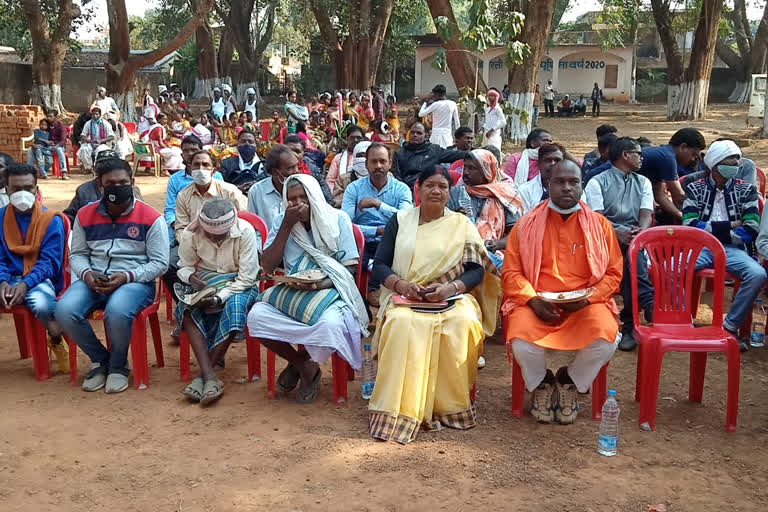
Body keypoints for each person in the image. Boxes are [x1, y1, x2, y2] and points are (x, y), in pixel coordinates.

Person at [368, 166, 501, 443]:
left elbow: (476, 271)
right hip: (404, 297)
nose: (436, 191)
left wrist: (449, 288)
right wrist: (403, 286)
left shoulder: (461, 225)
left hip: (450, 296)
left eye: (442, 186)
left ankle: (449, 408)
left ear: (449, 192)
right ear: (418, 188)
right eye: (430, 185)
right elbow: (379, 265)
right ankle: (401, 409)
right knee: (401, 324)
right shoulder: (400, 220)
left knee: (463, 322)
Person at [502, 159, 622, 424]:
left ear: (582, 186)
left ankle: (569, 381)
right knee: (521, 341)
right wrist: (532, 300)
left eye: (573, 182)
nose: (566, 188)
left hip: (586, 303)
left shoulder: (601, 226)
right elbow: (511, 273)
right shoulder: (525, 225)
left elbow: (613, 274)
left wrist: (588, 299)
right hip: (537, 302)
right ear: (548, 184)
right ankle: (543, 382)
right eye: (559, 181)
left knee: (606, 339)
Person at [246, 175, 370, 404]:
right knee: (256, 318)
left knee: (330, 326)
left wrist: (318, 285)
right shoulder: (282, 222)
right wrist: (286, 225)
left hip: (332, 289)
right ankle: (304, 365)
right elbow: (268, 266)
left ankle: (300, 364)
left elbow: (349, 272)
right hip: (294, 290)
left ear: (314, 196)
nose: (298, 203)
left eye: (303, 196)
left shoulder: (338, 219)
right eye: (291, 199)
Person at [56, 158, 169, 394]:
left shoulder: (151, 217)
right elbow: (76, 253)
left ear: (132, 182)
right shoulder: (85, 215)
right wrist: (86, 274)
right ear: (99, 185)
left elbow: (160, 263)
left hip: (135, 281)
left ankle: (118, 366)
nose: (117, 187)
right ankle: (101, 360)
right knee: (64, 310)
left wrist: (127, 276)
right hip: (94, 279)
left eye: (123, 182)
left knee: (117, 311)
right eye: (110, 183)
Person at [176, 198, 261, 405]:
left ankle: (204, 375)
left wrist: (218, 297)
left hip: (239, 282)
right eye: (210, 235)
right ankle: (210, 376)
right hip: (206, 280)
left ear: (230, 227)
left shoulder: (246, 231)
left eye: (220, 236)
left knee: (235, 306)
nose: (215, 240)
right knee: (187, 308)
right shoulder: (191, 233)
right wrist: (191, 279)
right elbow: (184, 266)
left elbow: (248, 278)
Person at [683, 140, 765, 352]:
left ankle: (730, 327)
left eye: (737, 161)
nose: (736, 165)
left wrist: (709, 228)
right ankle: (683, 322)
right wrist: (731, 225)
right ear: (714, 165)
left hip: (733, 250)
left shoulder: (747, 190)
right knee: (672, 268)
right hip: (700, 247)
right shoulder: (694, 188)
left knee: (757, 275)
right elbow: (689, 224)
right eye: (730, 162)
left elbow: (751, 229)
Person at [585, 137, 654, 351]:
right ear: (625, 155)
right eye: (638, 153)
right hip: (604, 237)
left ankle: (631, 322)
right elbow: (597, 218)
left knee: (631, 254)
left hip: (634, 238)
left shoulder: (643, 181)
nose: (642, 158)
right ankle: (647, 304)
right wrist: (617, 232)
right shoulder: (597, 181)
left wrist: (640, 231)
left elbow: (646, 214)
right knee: (631, 256)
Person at [0, 164, 68, 372]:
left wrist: (25, 284)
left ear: (36, 190)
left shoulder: (50, 220)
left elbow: (50, 263)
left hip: (38, 278)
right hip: (6, 278)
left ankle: (56, 338)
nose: (22, 193)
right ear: (7, 190)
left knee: (42, 305)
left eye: (28, 188)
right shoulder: (0, 218)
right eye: (16, 188)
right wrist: (2, 281)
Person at [342, 142, 412, 297]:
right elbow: (346, 224)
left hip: (392, 240)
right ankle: (372, 282)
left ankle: (374, 279)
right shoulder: (354, 189)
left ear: (390, 164)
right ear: (366, 164)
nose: (378, 166)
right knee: (349, 243)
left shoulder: (402, 189)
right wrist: (377, 230)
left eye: (383, 161)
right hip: (362, 240)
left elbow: (406, 219)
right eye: (374, 161)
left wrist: (378, 204)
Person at [462, 149, 523, 269]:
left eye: (472, 168)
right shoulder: (458, 193)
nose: (466, 172)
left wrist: (497, 244)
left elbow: (516, 233)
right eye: (465, 167)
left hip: (495, 252)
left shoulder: (505, 196)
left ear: (487, 171)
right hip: (463, 251)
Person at [163, 136, 224, 242]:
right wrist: (178, 226)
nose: (190, 154)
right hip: (182, 228)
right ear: (182, 155)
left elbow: (223, 206)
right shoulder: (175, 179)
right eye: (186, 151)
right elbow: (170, 210)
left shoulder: (216, 176)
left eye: (194, 150)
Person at [174, 150, 246, 240]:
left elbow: (244, 221)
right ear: (191, 168)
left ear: (214, 170)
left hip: (227, 244)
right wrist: (189, 246)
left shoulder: (229, 191)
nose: (200, 168)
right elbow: (181, 229)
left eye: (205, 165)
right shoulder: (183, 196)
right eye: (196, 164)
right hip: (195, 246)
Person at [640, 128, 706, 224]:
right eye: (693, 155)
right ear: (683, 147)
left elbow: (659, 195)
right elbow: (679, 196)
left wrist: (681, 215)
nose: (693, 159)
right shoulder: (668, 158)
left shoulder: (663, 154)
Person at [248, 144, 303, 234]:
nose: (296, 171)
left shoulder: (303, 188)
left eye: (297, 166)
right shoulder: (256, 192)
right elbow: (254, 228)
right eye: (290, 168)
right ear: (275, 172)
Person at [392, 123, 467, 190]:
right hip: (407, 190)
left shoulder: (434, 150)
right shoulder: (399, 153)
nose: (415, 135)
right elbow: (396, 177)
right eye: (412, 132)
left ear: (426, 136)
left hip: (430, 189)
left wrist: (474, 154)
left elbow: (456, 155)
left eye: (419, 133)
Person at [283, 134, 334, 203]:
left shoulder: (311, 167)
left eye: (297, 152)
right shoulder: (278, 169)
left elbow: (323, 186)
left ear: (303, 152)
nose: (293, 154)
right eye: (290, 150)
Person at [519, 143, 564, 213]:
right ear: (539, 164)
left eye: (557, 160)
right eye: (548, 160)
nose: (553, 164)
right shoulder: (525, 190)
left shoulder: (574, 190)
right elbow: (524, 221)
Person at [325, 125, 365, 193]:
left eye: (358, 138)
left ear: (363, 140)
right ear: (347, 140)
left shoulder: (369, 157)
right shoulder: (338, 158)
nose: (355, 140)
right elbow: (330, 181)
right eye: (352, 138)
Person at [419, 85, 460, 149]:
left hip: (436, 134)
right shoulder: (453, 104)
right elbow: (457, 122)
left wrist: (425, 102)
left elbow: (421, 114)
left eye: (434, 95)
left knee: (435, 153)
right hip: (447, 134)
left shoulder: (435, 104)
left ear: (437, 94)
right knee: (447, 152)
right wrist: (458, 136)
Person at [77, 107, 115, 173]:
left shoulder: (106, 124)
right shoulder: (88, 123)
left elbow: (111, 136)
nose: (94, 116)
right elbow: (82, 135)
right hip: (91, 143)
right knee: (84, 150)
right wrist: (89, 140)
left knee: (101, 152)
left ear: (100, 115)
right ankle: (89, 167)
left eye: (96, 114)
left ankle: (98, 168)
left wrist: (101, 140)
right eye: (93, 114)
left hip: (102, 143)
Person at [46, 110, 70, 180]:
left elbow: (63, 140)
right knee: (31, 150)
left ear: (55, 117)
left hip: (59, 146)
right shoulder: (46, 125)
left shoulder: (61, 127)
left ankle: (64, 172)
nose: (48, 118)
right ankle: (37, 171)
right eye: (48, 116)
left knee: (59, 150)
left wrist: (56, 146)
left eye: (51, 116)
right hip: (48, 146)